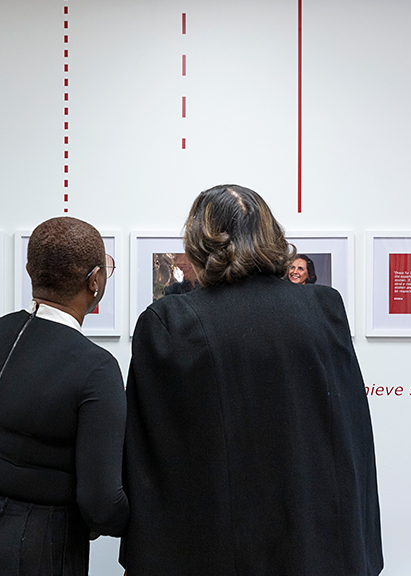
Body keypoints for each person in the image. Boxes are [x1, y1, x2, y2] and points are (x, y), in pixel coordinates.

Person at [121, 185, 382, 576]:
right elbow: (352, 439)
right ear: (271, 236)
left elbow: (149, 460)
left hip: (216, 551)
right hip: (319, 548)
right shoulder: (324, 309)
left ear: (198, 241)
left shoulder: (169, 323)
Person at [0, 217, 128, 576]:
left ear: (30, 271)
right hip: (33, 546)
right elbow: (102, 504)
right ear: (95, 281)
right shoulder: (96, 369)